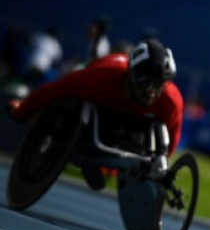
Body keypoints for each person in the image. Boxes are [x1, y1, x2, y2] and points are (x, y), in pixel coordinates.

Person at [7, 38, 183, 190]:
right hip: (96, 114)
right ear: (132, 75)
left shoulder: (170, 99)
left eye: (158, 86)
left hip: (132, 129)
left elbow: (172, 135)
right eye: (147, 84)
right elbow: (54, 91)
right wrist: (23, 110)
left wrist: (162, 173)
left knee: (154, 129)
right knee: (76, 104)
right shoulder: (101, 76)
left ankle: (101, 165)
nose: (152, 93)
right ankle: (87, 155)